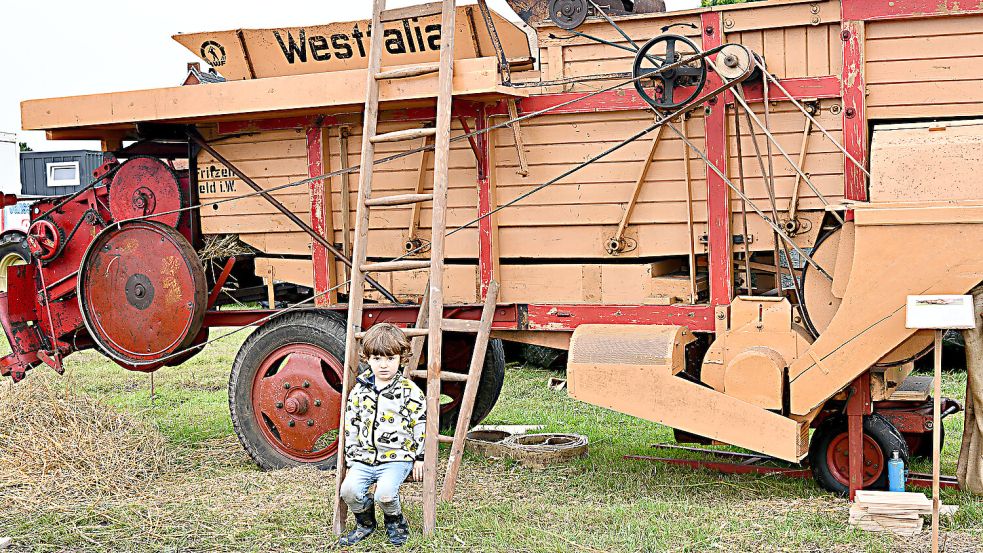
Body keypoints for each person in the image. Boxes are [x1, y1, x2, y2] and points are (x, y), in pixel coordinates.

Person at [338, 323, 426, 547]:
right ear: (367, 359)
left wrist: (420, 457)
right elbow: (352, 426)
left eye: (390, 358)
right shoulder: (359, 391)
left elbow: (420, 425)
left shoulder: (409, 391)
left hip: (397, 457)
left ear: (401, 358)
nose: (384, 365)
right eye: (377, 359)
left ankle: (395, 522)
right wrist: (351, 459)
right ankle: (365, 523)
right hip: (364, 458)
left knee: (384, 494)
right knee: (348, 490)